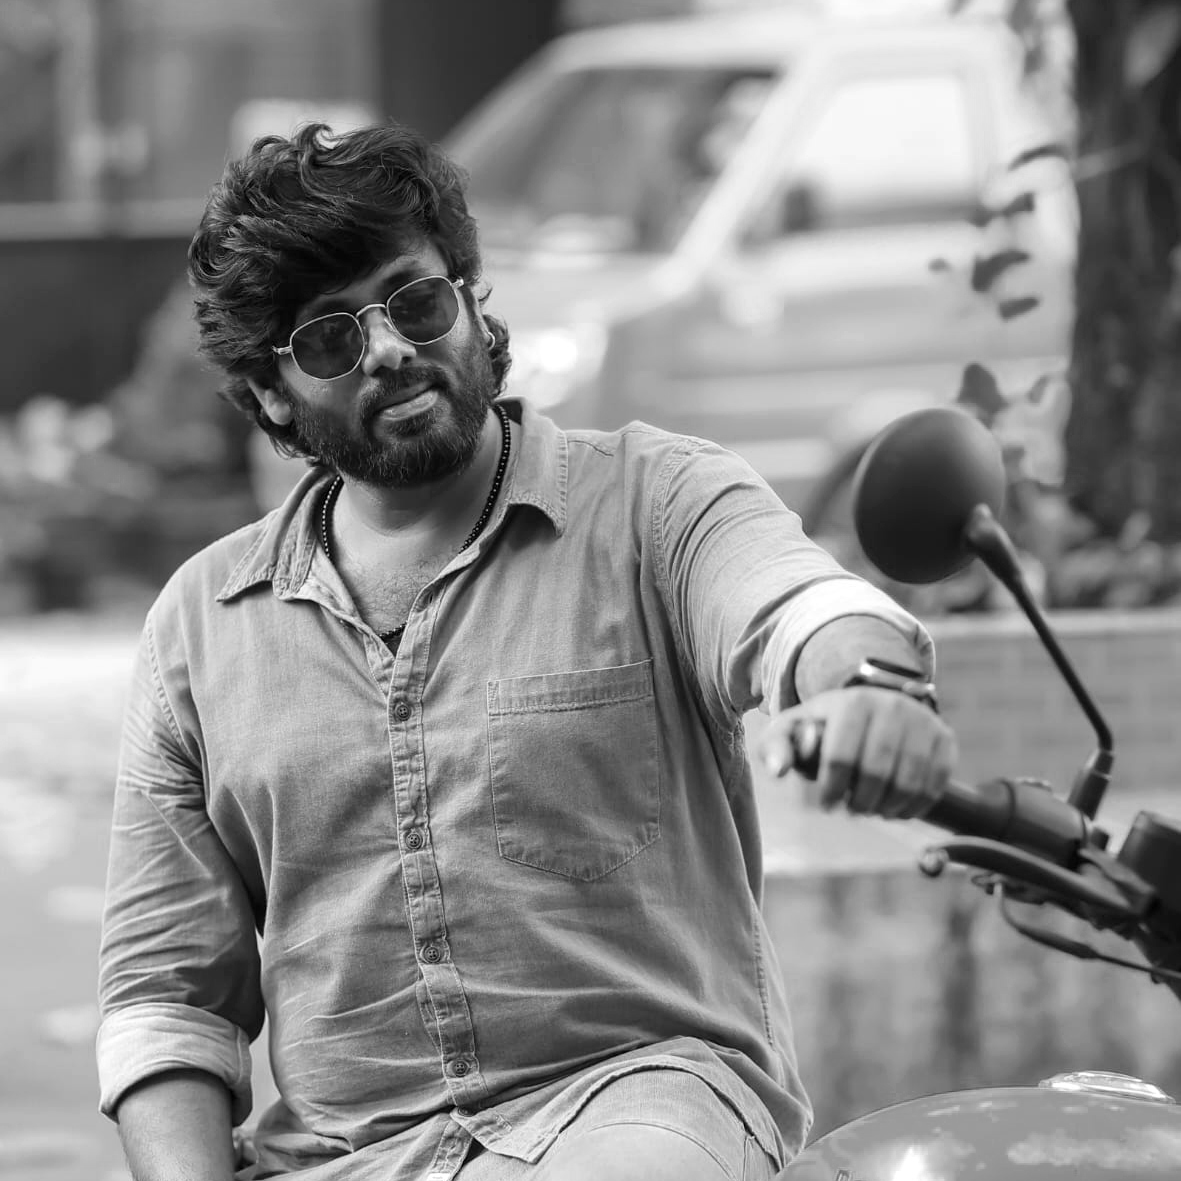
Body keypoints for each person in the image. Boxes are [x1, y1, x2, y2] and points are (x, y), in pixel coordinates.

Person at [97, 121, 956, 1181]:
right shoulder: (200, 625)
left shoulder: (654, 501)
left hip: (637, 1107)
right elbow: (166, 996)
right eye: (328, 338)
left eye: (415, 301)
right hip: (342, 1155)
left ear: (469, 300)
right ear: (271, 393)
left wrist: (866, 686)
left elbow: (796, 605)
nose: (389, 348)